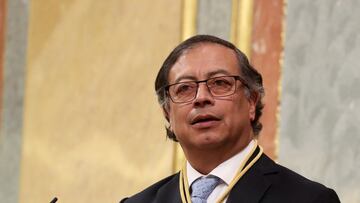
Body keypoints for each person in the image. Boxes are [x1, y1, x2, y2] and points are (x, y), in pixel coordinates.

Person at [120, 35, 340, 203]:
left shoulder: (308, 199)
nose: (201, 98)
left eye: (220, 83)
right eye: (184, 88)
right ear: (167, 113)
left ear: (251, 102)